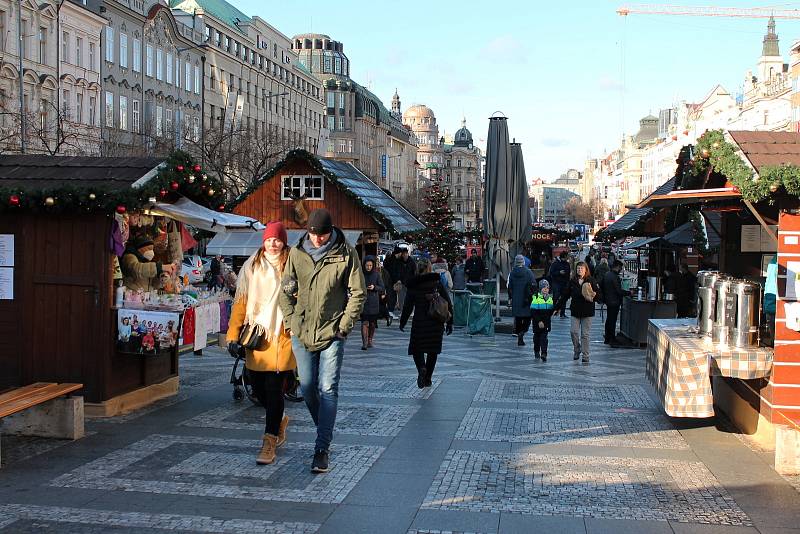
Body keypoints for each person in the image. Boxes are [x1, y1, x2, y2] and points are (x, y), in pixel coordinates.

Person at [279, 209, 366, 474]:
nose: (317, 240)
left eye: (323, 235)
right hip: (302, 331)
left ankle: (321, 449)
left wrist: (343, 327)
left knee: (328, 388)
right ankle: (324, 430)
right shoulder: (296, 253)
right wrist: (292, 323)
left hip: (332, 332)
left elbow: (358, 293)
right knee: (306, 388)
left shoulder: (345, 253)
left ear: (331, 232)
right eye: (313, 235)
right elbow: (285, 292)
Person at [226, 221, 295, 466]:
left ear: (284, 241)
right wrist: (232, 335)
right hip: (257, 335)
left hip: (282, 335)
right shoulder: (251, 267)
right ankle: (281, 420)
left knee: (275, 390)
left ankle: (269, 441)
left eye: (277, 239)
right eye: (269, 240)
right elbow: (241, 302)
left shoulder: (293, 264)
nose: (273, 244)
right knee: (257, 388)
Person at [399, 259, 454, 388]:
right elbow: (447, 303)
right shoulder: (437, 283)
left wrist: (403, 322)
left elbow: (407, 307)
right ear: (429, 268)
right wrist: (450, 322)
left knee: (416, 348)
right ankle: (428, 378)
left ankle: (421, 369)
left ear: (418, 269)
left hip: (420, 322)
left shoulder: (413, 285)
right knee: (432, 351)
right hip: (436, 323)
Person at [553, 261, 599, 363]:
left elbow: (598, 295)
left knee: (585, 335)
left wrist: (593, 295)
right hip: (575, 310)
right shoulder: (572, 281)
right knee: (573, 332)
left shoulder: (591, 280)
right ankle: (577, 349)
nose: (580, 270)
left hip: (587, 311)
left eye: (582, 268)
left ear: (586, 270)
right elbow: (565, 295)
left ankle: (585, 355)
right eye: (578, 268)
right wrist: (557, 308)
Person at [507, 254, 536, 346]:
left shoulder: (512, 273)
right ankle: (522, 332)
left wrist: (510, 298)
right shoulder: (528, 272)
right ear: (523, 262)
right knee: (528, 319)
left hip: (516, 300)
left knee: (518, 319)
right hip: (526, 300)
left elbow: (509, 287)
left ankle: (520, 335)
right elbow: (534, 285)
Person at [360, 255, 385, 350]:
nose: (368, 267)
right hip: (364, 301)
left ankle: (370, 339)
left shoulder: (377, 274)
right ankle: (365, 342)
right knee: (364, 322)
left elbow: (382, 287)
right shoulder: (361, 274)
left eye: (370, 265)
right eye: (367, 265)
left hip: (374, 302)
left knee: (372, 323)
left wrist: (374, 287)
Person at [601, 260, 626, 345]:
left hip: (608, 300)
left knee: (609, 319)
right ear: (617, 267)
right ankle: (612, 338)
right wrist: (628, 293)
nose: (621, 269)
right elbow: (618, 291)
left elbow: (602, 286)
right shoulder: (615, 277)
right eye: (620, 268)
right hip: (614, 301)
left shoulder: (607, 274)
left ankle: (607, 338)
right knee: (612, 320)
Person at [529, 279, 554, 361]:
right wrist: (539, 321)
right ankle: (536, 351)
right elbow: (533, 312)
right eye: (544, 288)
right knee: (537, 339)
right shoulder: (536, 298)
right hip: (537, 323)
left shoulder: (550, 299)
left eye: (547, 288)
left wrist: (555, 311)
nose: (546, 289)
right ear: (540, 289)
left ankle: (544, 353)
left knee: (544, 339)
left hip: (546, 323)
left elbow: (551, 311)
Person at [548, 251, 571, 318]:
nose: (568, 257)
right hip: (557, 283)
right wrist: (559, 272)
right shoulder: (555, 263)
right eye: (567, 256)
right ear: (564, 256)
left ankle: (562, 313)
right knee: (555, 298)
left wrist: (568, 283)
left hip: (564, 283)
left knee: (564, 298)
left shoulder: (567, 264)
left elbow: (568, 273)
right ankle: (552, 311)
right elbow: (551, 272)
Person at [396, 247, 417, 314]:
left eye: (406, 253)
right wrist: (398, 279)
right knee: (401, 298)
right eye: (403, 254)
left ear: (408, 254)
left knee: (410, 297)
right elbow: (398, 272)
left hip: (410, 283)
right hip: (401, 282)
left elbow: (415, 272)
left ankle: (411, 311)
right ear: (402, 254)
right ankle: (403, 311)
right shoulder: (399, 262)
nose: (405, 255)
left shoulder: (412, 262)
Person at [383, 247, 402, 318]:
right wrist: (396, 280)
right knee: (392, 296)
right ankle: (390, 312)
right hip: (391, 281)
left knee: (391, 296)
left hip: (389, 281)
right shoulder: (394, 260)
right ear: (399, 253)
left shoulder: (391, 259)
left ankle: (390, 311)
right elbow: (393, 272)